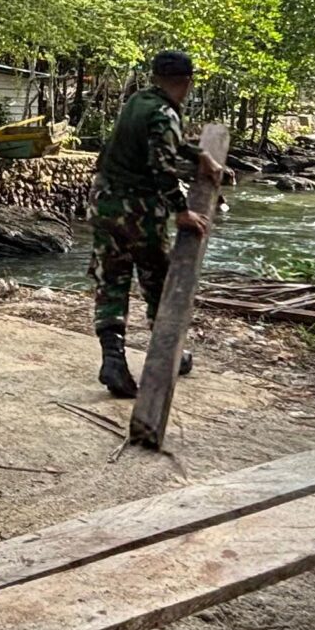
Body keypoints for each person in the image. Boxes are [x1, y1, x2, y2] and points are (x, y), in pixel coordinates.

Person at [88, 50, 226, 397]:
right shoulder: (165, 113)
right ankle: (167, 352)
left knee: (112, 280)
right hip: (140, 211)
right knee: (158, 280)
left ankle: (113, 360)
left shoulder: (139, 101)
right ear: (188, 82)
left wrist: (199, 154)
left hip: (105, 204)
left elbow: (160, 143)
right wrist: (181, 211)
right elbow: (160, 164)